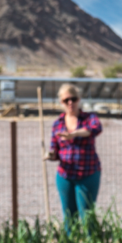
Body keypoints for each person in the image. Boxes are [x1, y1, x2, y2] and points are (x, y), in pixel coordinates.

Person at [46, 84, 102, 231]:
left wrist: (74, 134)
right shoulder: (57, 124)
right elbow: (55, 150)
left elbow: (95, 129)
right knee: (69, 216)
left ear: (79, 100)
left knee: (87, 215)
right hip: (65, 175)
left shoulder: (89, 118)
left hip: (88, 173)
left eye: (73, 99)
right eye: (66, 100)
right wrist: (50, 155)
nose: (70, 103)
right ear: (61, 103)